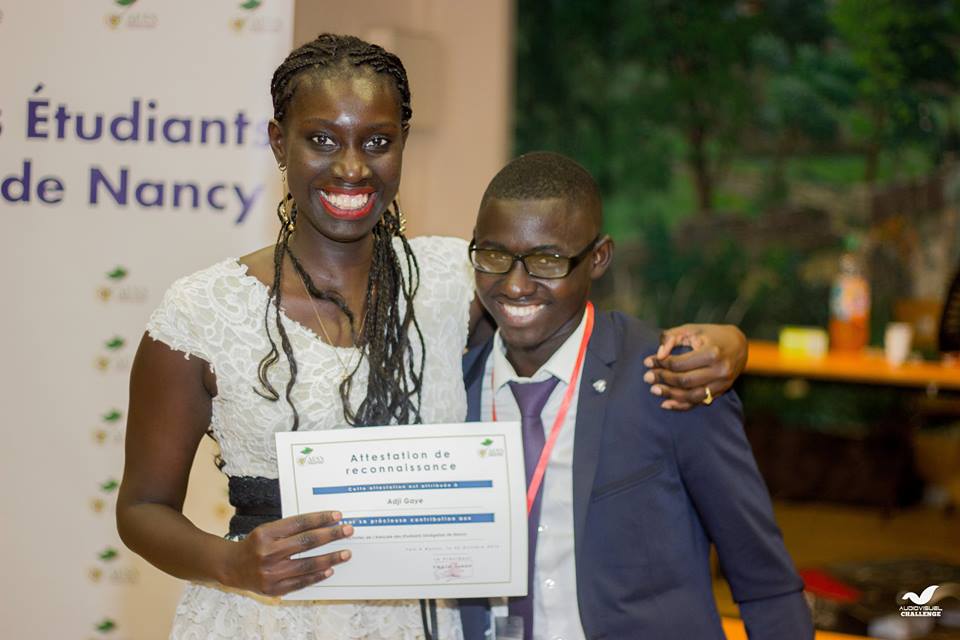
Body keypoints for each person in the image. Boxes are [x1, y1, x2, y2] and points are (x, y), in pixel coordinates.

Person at [116, 35, 749, 640]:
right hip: (266, 618)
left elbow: (573, 335)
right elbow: (142, 508)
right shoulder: (201, 312)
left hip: (425, 619)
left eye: (378, 141)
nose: (352, 166)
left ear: (402, 146)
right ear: (279, 144)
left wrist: (726, 344)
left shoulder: (454, 279)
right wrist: (233, 565)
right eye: (321, 140)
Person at [458, 152, 813, 640]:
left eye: (547, 260)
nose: (516, 285)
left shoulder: (667, 379)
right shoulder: (452, 388)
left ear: (599, 257)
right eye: (495, 256)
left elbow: (764, 581)